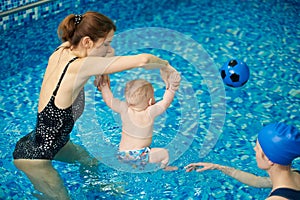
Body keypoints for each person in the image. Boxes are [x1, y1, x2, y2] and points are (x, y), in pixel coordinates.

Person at [12, 11, 175, 199]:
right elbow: (143, 60)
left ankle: (96, 191)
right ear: (87, 42)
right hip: (35, 157)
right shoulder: (79, 67)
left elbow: (105, 55)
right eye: (105, 44)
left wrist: (102, 65)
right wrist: (166, 66)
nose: (109, 49)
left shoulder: (63, 50)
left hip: (50, 142)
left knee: (89, 162)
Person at [185, 122, 300, 199]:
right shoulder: (294, 175)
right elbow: (258, 181)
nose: (254, 149)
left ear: (268, 159)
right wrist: (217, 167)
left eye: (257, 149)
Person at [97, 69, 181, 171]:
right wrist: (171, 88)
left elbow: (110, 101)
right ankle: (164, 168)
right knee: (164, 153)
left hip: (122, 154)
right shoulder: (150, 112)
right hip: (140, 155)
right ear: (150, 101)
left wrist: (104, 87)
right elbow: (165, 102)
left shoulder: (124, 109)